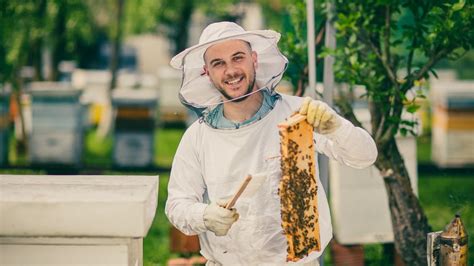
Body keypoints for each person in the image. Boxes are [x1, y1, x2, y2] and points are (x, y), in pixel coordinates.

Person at [165, 21, 377, 265]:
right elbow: (177, 205)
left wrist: (338, 129)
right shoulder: (197, 137)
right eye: (218, 63)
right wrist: (204, 215)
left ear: (254, 59)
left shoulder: (299, 113)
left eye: (238, 58)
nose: (231, 70)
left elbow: (365, 156)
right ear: (207, 72)